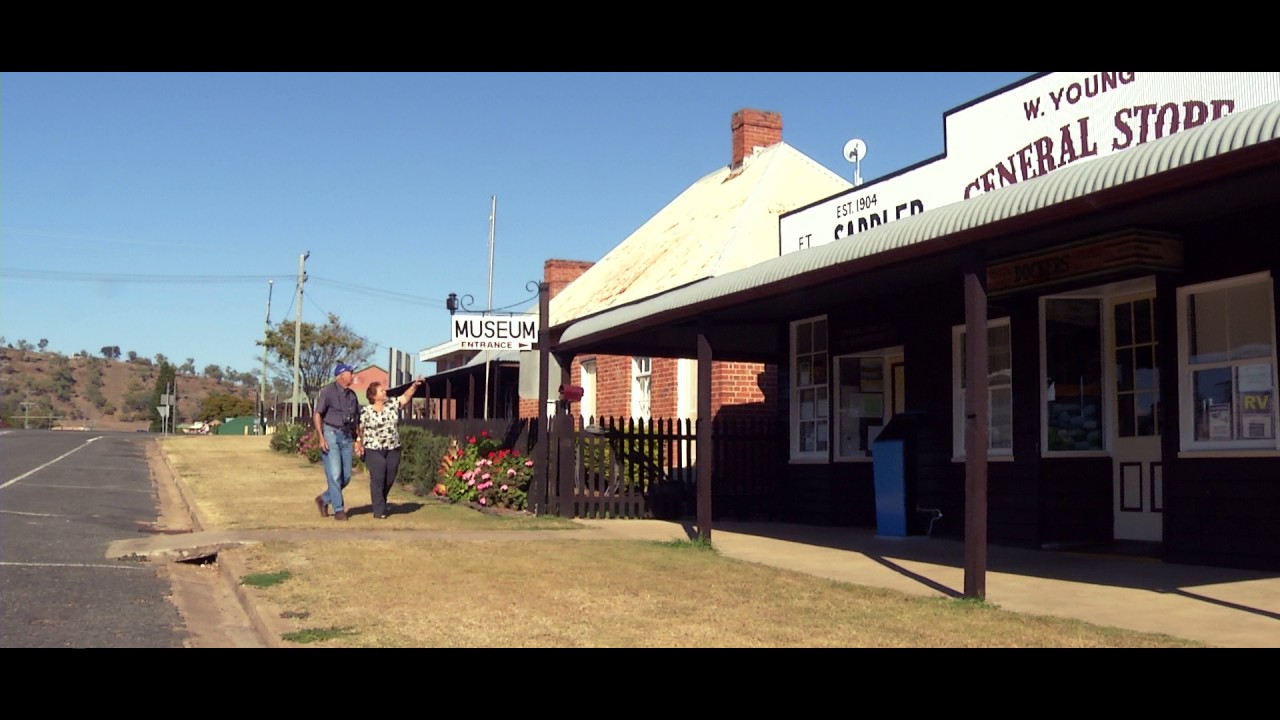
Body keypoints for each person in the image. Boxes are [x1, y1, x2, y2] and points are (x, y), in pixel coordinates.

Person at [356, 377, 422, 519]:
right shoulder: (366, 411)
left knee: (390, 477)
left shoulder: (392, 404)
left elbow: (405, 398)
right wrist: (358, 442)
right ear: (374, 396)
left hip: (393, 448)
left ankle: (381, 500)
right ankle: (379, 510)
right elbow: (359, 429)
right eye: (381, 390)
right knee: (379, 473)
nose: (385, 392)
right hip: (373, 449)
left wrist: (415, 386)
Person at [313, 362, 361, 521]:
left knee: (346, 476)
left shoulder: (352, 396)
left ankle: (324, 499)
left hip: (347, 436)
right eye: (350, 372)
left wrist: (358, 439)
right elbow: (318, 414)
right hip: (331, 433)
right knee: (334, 474)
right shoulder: (328, 391)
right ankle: (339, 510)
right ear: (341, 375)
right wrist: (321, 437)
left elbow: (357, 420)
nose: (353, 375)